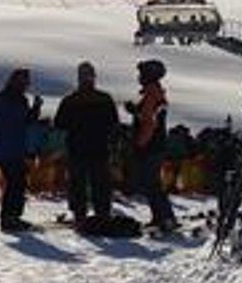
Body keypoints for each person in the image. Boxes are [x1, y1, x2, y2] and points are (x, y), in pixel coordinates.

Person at [53, 62, 119, 229]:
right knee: (100, 182)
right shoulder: (104, 98)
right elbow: (114, 123)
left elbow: (59, 123)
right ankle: (102, 214)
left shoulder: (70, 100)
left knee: (78, 183)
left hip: (77, 148)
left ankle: (79, 215)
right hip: (99, 147)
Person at [0, 68, 43, 232]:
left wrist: (35, 108)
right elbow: (24, 121)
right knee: (16, 182)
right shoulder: (15, 99)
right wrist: (35, 109)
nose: (27, 85)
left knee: (15, 181)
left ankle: (10, 217)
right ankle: (11, 218)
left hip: (5, 146)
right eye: (26, 81)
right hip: (11, 146)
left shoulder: (1, 98)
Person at [127, 58, 177, 231]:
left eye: (142, 74)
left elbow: (150, 123)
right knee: (151, 183)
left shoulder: (151, 95)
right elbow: (148, 117)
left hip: (151, 146)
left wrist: (140, 144)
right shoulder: (155, 94)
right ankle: (160, 217)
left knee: (152, 183)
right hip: (155, 145)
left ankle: (166, 217)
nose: (139, 77)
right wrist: (136, 111)